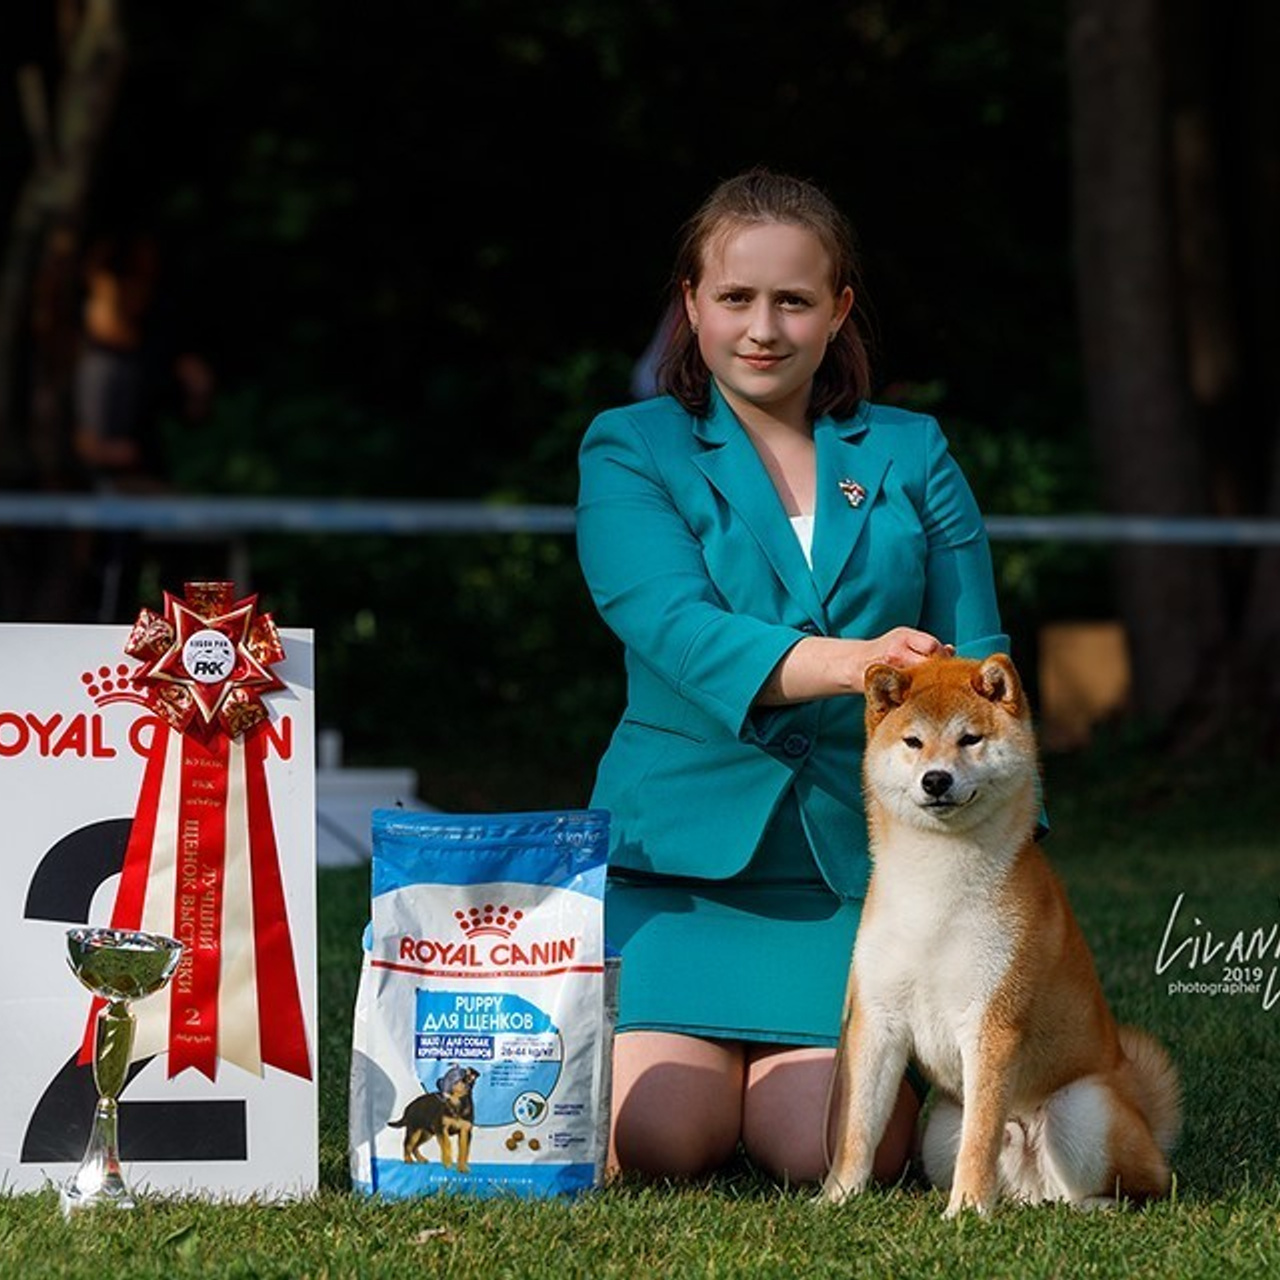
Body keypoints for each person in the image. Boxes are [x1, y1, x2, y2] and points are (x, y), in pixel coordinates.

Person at [574, 168, 1010, 1186]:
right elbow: (675, 629)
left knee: (813, 1140)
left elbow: (986, 674)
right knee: (661, 1135)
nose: (760, 327)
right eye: (734, 297)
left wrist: (999, 864)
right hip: (670, 867)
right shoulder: (628, 446)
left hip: (867, 874)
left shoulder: (911, 450)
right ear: (689, 303)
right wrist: (860, 662)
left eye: (792, 299)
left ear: (837, 309)